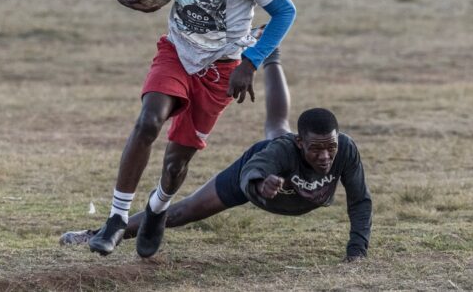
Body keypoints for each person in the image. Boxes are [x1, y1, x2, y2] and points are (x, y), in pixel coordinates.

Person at [89, 0, 297, 257]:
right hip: (177, 53)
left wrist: (250, 63)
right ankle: (117, 219)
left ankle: (157, 206)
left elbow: (285, 12)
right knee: (149, 121)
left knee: (175, 164)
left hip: (221, 72)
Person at [63, 54, 372, 261]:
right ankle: (96, 234)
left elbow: (360, 201)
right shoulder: (281, 151)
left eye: (330, 147)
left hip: (287, 184)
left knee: (277, 124)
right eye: (316, 149)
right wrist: (260, 185)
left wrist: (356, 251)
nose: (325, 156)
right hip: (253, 181)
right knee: (182, 212)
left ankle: (272, 55)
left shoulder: (345, 151)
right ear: (300, 144)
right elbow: (255, 169)